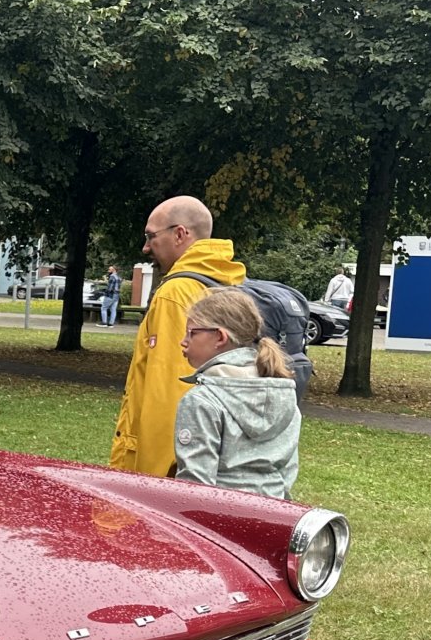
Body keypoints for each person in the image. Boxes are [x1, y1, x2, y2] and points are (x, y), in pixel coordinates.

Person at [110, 195, 246, 478]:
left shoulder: (176, 293)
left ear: (180, 234)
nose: (146, 247)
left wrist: (150, 485)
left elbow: (169, 393)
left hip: (166, 472)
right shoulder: (224, 281)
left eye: (151, 236)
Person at [174, 289, 299, 499]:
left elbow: (194, 485)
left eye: (192, 333)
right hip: (273, 514)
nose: (184, 341)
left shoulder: (202, 400)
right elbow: (288, 470)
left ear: (220, 337)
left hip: (217, 519)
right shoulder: (283, 391)